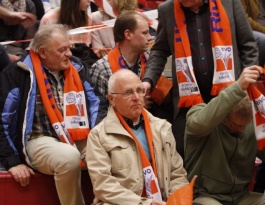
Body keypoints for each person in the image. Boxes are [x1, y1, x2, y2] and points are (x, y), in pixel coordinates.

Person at [0, 24, 108, 205]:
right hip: (39, 138)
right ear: (42, 52)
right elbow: (2, 120)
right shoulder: (17, 73)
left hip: (79, 133)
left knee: (112, 148)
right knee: (69, 158)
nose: (69, 54)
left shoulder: (78, 68)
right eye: (62, 50)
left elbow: (98, 104)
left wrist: (97, 137)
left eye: (69, 48)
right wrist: (12, 160)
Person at [142, 0, 259, 158]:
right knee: (183, 153)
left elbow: (248, 45)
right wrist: (148, 80)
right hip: (188, 101)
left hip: (229, 97)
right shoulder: (167, 9)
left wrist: (246, 84)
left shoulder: (229, 3)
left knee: (230, 154)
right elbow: (159, 51)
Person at [86, 69, 188, 205]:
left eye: (140, 90)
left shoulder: (162, 128)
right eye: (128, 92)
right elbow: (104, 186)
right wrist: (146, 203)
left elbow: (177, 174)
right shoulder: (98, 136)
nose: (136, 97)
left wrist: (175, 200)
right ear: (111, 99)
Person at [184, 65, 263, 204]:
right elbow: (200, 123)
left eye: (244, 125)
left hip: (241, 197)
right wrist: (238, 87)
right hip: (205, 196)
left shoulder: (252, 124)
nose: (240, 129)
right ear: (224, 116)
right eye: (236, 124)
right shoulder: (199, 114)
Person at [90, 10, 172, 121]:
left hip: (153, 122)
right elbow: (101, 112)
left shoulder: (151, 59)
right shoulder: (102, 69)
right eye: (144, 33)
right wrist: (135, 106)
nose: (150, 37)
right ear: (128, 34)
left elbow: (165, 97)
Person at [240, 0, 265, 67]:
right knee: (263, 40)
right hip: (243, 29)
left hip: (257, 27)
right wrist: (263, 30)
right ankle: (256, 71)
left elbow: (260, 16)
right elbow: (244, 19)